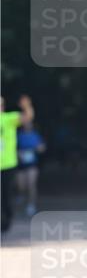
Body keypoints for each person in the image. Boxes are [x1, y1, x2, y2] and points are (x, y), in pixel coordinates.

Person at [1, 95, 35, 234]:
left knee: (5, 195)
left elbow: (28, 117)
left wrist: (27, 106)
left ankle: (6, 221)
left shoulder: (9, 118)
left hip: (8, 164)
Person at [15, 120, 46, 217]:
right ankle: (22, 195)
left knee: (31, 184)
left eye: (29, 123)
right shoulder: (18, 136)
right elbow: (13, 147)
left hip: (32, 164)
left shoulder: (36, 135)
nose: (27, 125)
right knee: (21, 185)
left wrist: (39, 148)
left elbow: (42, 147)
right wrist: (18, 153)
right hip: (21, 164)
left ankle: (31, 205)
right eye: (26, 123)